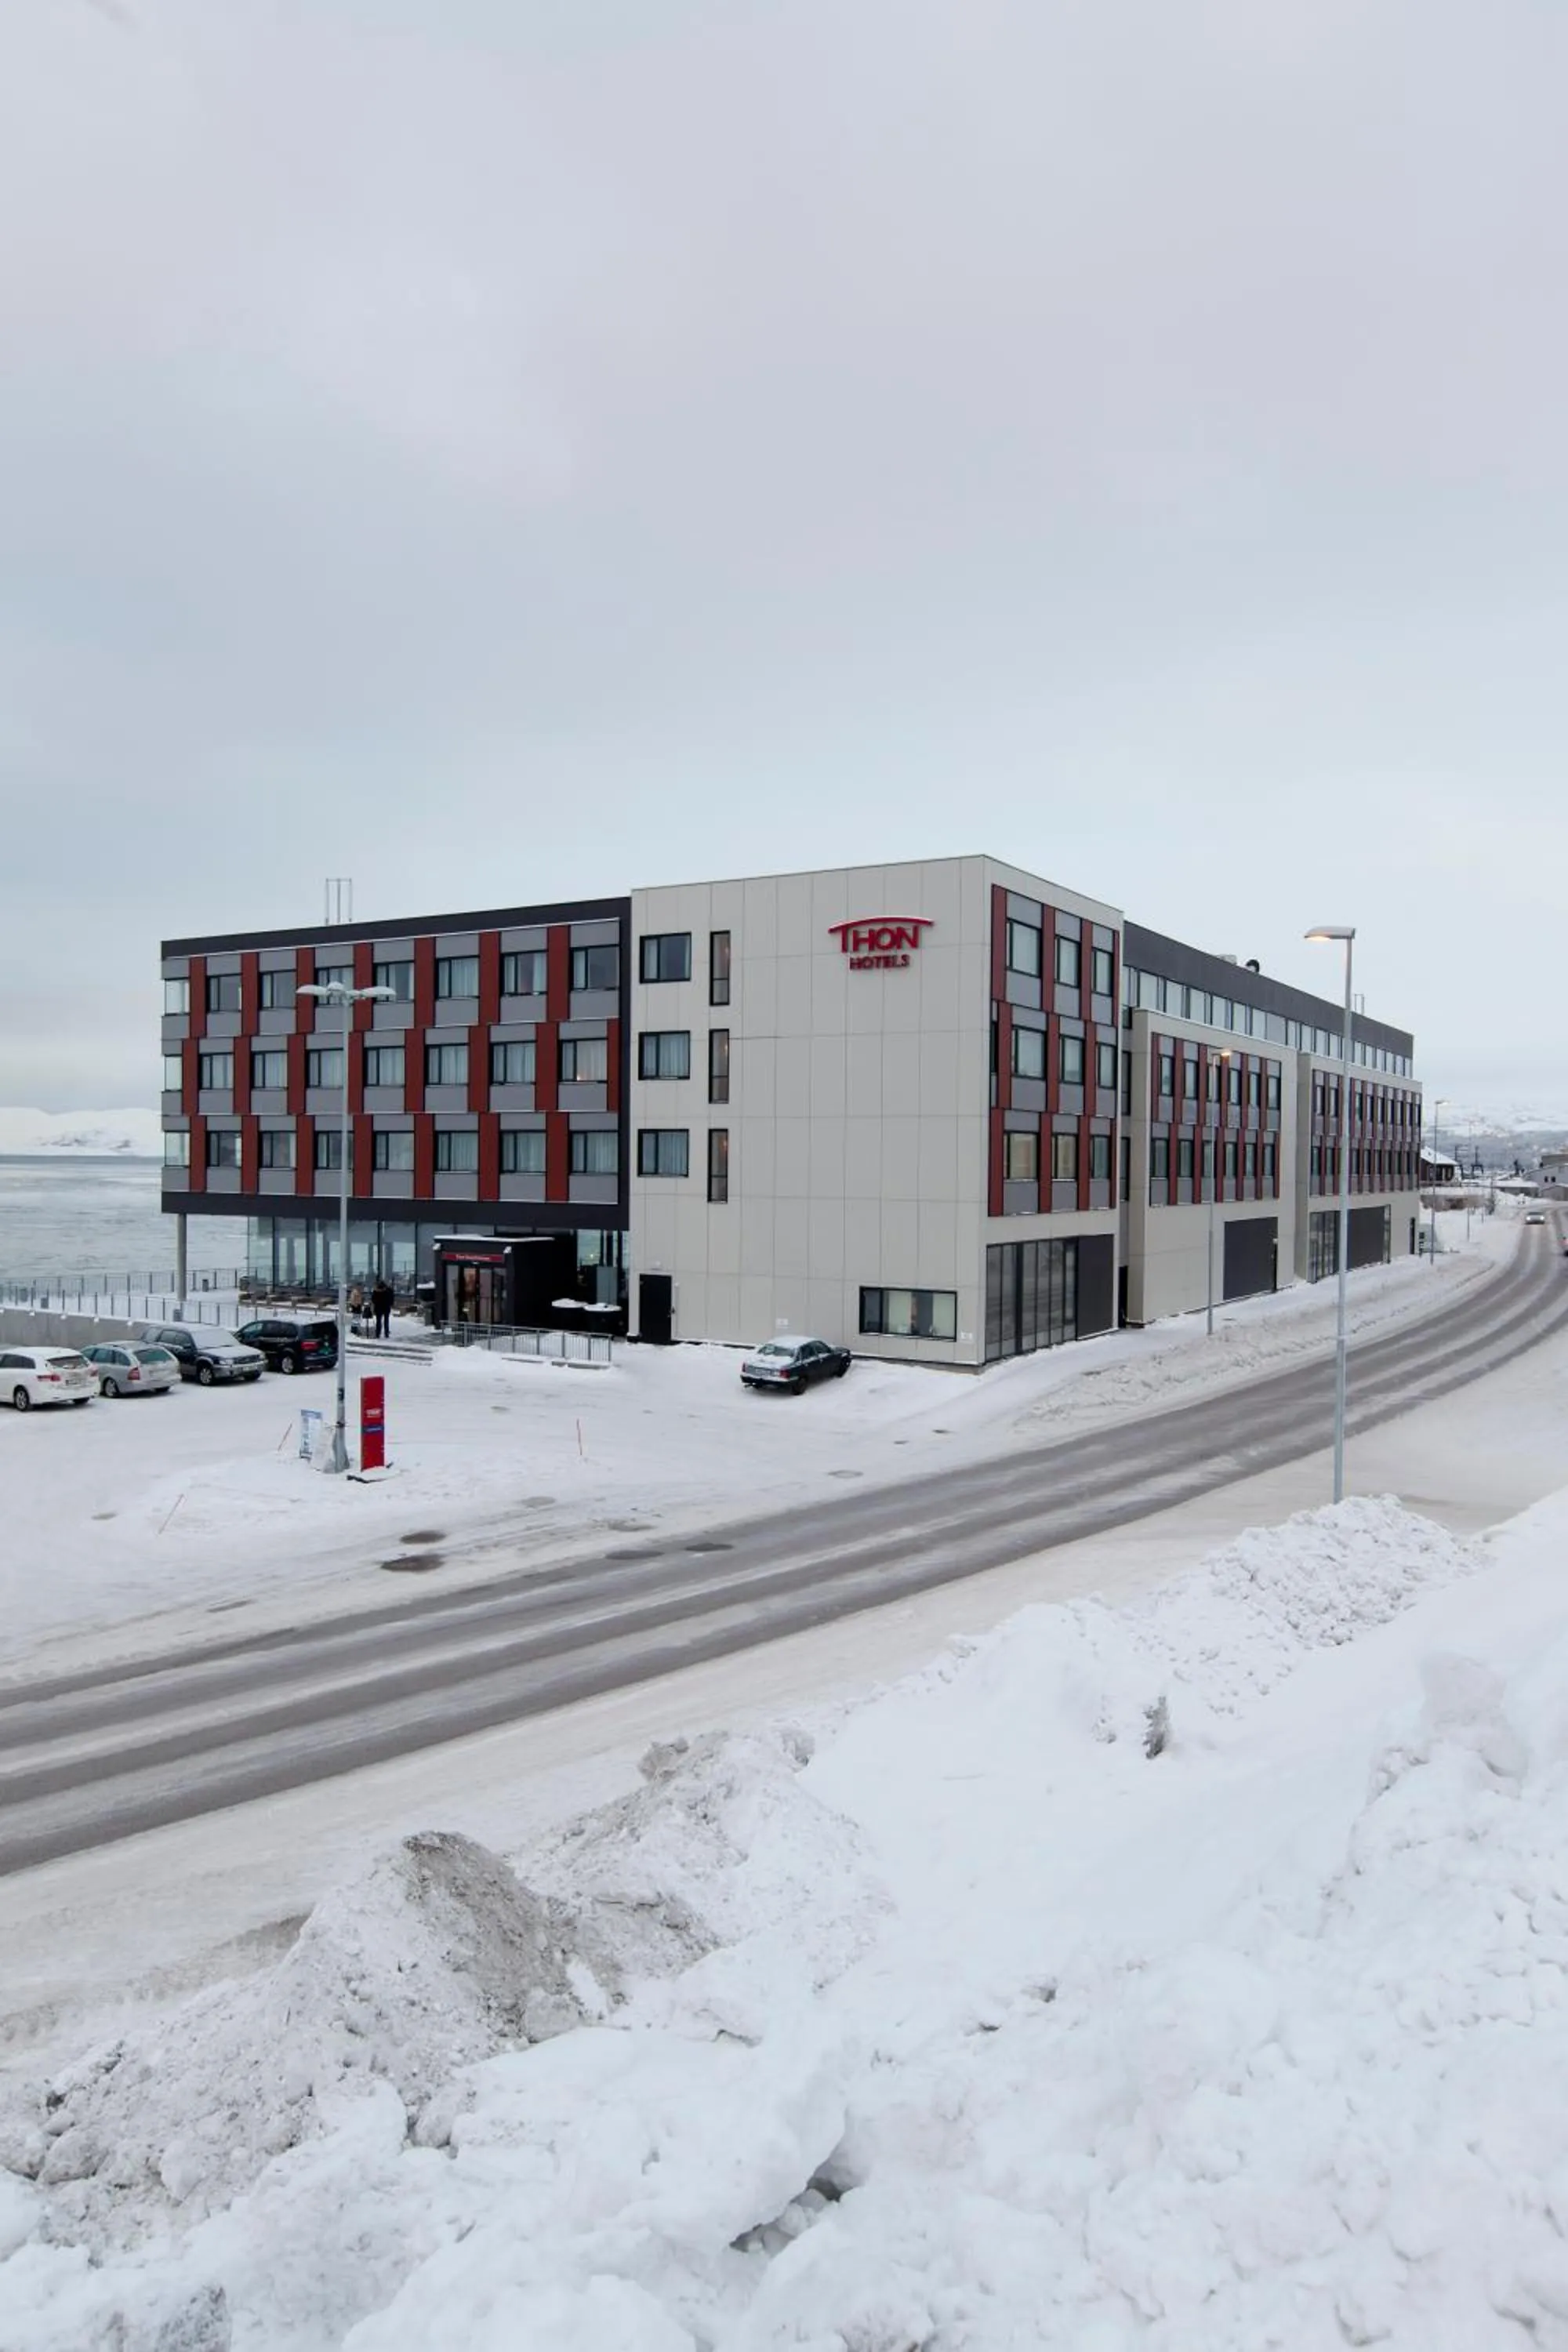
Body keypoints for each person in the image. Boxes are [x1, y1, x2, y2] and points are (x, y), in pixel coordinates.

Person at [371, 1275, 394, 1340]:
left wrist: (376, 1303)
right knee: (386, 1321)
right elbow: (392, 1299)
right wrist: (390, 1304)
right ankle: (386, 1333)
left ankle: (378, 1333)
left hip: (378, 1308)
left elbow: (373, 1299)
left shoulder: (376, 1291)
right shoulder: (389, 1290)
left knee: (379, 1321)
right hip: (386, 1307)